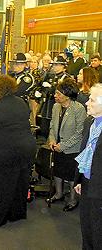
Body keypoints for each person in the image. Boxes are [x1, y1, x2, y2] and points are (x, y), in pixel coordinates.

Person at [0, 75, 36, 227]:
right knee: (20, 183)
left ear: (1, 89)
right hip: (27, 148)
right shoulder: (20, 102)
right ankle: (17, 214)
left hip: (7, 151)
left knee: (4, 185)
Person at [46, 78, 87, 211]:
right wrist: (52, 140)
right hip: (56, 146)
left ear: (67, 95)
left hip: (72, 149)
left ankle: (73, 200)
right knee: (57, 172)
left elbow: (79, 133)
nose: (55, 96)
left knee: (70, 175)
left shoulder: (78, 109)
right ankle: (58, 194)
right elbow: (52, 125)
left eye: (58, 94)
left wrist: (62, 146)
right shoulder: (56, 106)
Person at [74, 83, 102, 250]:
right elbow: (84, 151)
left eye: (92, 100)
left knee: (99, 231)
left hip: (100, 187)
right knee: (87, 228)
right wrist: (79, 179)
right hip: (87, 183)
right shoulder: (89, 122)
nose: (86, 103)